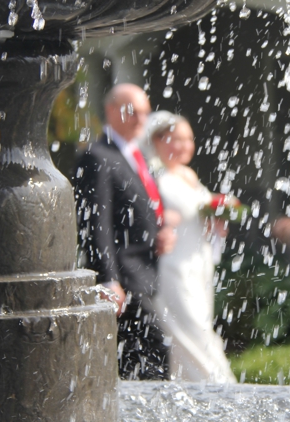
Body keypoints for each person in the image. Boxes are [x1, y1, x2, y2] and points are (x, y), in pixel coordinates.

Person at [73, 84, 176, 380]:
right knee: (153, 350)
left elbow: (142, 208)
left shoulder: (134, 154)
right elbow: (96, 222)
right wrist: (107, 278)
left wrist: (160, 231)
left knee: (136, 358)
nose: (140, 118)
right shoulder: (97, 155)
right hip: (123, 275)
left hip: (144, 271)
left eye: (145, 112)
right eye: (133, 111)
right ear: (111, 110)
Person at [146, 111, 237, 383]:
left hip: (199, 265)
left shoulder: (188, 174)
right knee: (193, 334)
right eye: (177, 139)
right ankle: (223, 393)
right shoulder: (152, 176)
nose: (185, 146)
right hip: (174, 268)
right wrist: (159, 222)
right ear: (158, 141)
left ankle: (187, 401)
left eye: (189, 139)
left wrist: (218, 217)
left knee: (199, 333)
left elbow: (197, 219)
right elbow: (144, 217)